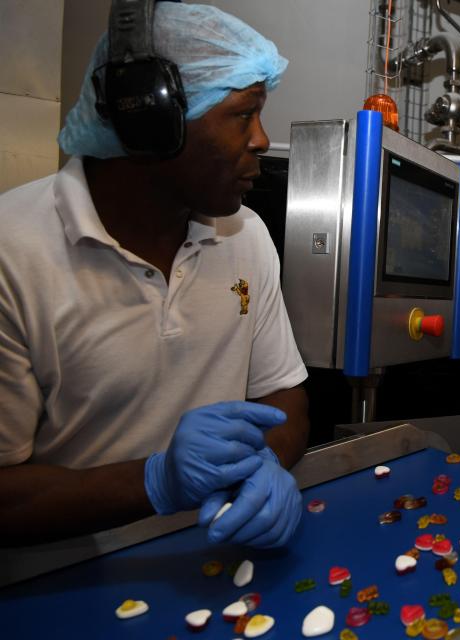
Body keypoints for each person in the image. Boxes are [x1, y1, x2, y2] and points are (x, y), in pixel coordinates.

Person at [0, 3, 308, 551]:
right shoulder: (13, 253)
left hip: (215, 560)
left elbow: (282, 393)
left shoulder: (247, 237)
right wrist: (157, 482)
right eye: (243, 113)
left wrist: (266, 464)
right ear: (151, 119)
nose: (262, 140)